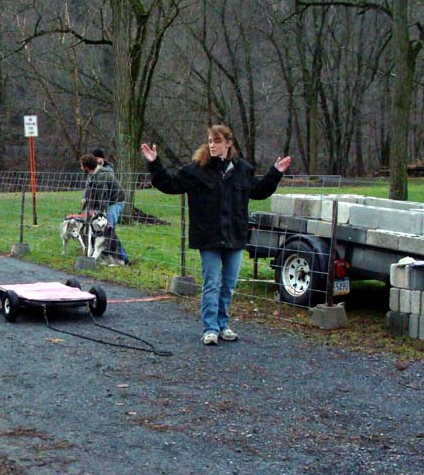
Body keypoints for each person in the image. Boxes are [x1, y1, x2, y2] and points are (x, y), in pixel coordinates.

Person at [140, 124, 291, 346]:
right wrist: (154, 164)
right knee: (212, 282)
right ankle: (210, 328)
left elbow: (258, 191)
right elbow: (170, 184)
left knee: (228, 284)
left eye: (217, 141)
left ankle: (223, 324)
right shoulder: (196, 170)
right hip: (208, 236)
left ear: (228, 143)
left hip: (235, 235)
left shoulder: (242, 170)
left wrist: (275, 173)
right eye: (210, 141)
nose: (212, 145)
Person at [80, 153, 128, 264]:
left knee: (108, 230)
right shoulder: (93, 175)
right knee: (97, 230)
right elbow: (92, 194)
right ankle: (104, 257)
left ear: (87, 167)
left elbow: (103, 199)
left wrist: (102, 215)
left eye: (82, 166)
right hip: (108, 202)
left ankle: (123, 259)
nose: (81, 168)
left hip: (115, 202)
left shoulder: (101, 177)